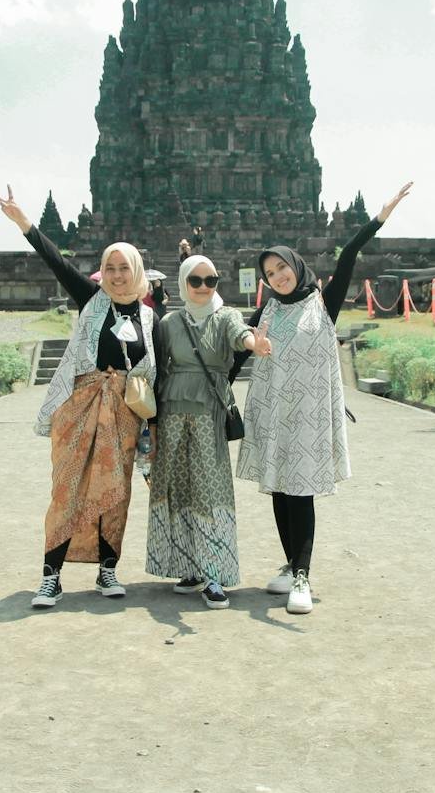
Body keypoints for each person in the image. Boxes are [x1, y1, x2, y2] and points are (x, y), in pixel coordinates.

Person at [233, 182, 413, 614]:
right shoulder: (268, 311)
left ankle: (302, 577)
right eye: (270, 273)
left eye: (282, 268)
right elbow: (240, 348)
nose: (278, 276)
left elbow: (348, 255)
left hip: (309, 420)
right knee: (278, 490)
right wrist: (224, 369)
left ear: (296, 265)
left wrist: (380, 216)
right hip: (275, 416)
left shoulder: (322, 302)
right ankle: (290, 563)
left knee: (301, 494)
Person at [0, 185, 157, 610]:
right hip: (79, 405)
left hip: (123, 414)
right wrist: (24, 223)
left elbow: (158, 372)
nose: (118, 275)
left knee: (114, 492)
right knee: (67, 489)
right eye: (110, 267)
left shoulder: (150, 318)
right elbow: (57, 262)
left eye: (125, 268)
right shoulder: (92, 299)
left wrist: (153, 429)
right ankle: (51, 575)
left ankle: (107, 569)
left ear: (137, 271)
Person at [149, 255, 269, 608]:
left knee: (210, 489)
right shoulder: (169, 322)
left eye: (211, 280)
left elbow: (240, 334)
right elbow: (156, 368)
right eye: (196, 280)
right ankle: (190, 565)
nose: (203, 287)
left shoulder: (226, 316)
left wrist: (254, 343)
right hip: (172, 411)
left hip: (207, 413)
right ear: (184, 283)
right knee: (177, 487)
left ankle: (215, 571)